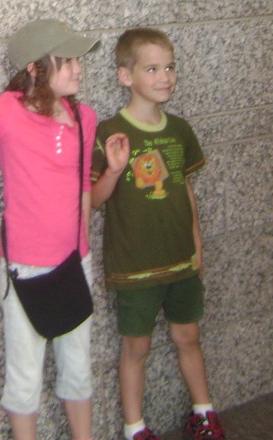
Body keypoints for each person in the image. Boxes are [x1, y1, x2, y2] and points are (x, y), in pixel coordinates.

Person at [0, 18, 129, 440]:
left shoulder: (85, 117)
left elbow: (85, 196)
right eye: (67, 60)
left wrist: (111, 174)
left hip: (75, 263)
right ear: (36, 69)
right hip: (23, 268)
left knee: (78, 370)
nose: (79, 68)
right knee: (24, 378)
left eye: (78, 59)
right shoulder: (8, 110)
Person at [90, 28, 225, 440]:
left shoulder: (180, 130)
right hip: (135, 267)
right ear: (125, 76)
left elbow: (184, 187)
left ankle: (203, 413)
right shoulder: (110, 132)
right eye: (152, 68)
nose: (165, 76)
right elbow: (95, 200)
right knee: (137, 348)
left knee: (189, 335)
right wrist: (114, 169)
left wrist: (197, 242)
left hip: (181, 259)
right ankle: (135, 428)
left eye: (169, 67)